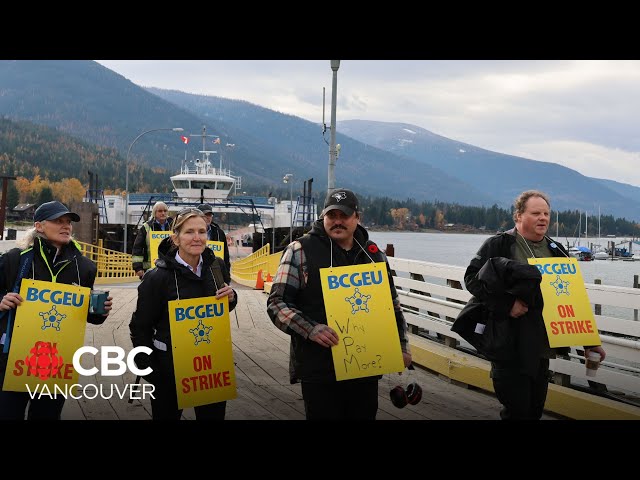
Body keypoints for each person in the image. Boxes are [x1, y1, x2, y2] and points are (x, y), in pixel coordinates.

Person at [267, 188, 412, 420]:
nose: (337, 221)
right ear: (323, 217)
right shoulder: (300, 250)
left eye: (343, 216)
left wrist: (402, 347)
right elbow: (276, 302)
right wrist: (310, 329)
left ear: (357, 217)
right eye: (331, 216)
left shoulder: (375, 256)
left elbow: (392, 306)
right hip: (319, 368)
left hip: (366, 367)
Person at [462, 190, 606, 420]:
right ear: (518, 216)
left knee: (534, 412)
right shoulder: (500, 244)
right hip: (510, 342)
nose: (543, 218)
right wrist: (507, 304)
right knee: (518, 412)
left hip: (542, 346)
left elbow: (570, 299)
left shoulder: (556, 250)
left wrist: (589, 342)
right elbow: (471, 279)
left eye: (546, 213)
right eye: (536, 213)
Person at [0, 200, 113, 420]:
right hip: (15, 358)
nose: (66, 226)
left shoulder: (85, 267)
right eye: (58, 221)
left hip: (57, 363)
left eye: (68, 222)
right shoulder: (16, 259)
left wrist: (100, 312)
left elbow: (88, 316)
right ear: (39, 226)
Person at [129, 207, 237, 420]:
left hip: (210, 366)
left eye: (202, 231)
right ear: (175, 238)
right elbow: (139, 327)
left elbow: (223, 305)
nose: (197, 238)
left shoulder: (217, 267)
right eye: (189, 232)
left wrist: (232, 298)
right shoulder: (157, 278)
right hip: (169, 369)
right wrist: (152, 373)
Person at [132, 201, 174, 279]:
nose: (163, 213)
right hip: (150, 269)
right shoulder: (146, 227)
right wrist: (138, 268)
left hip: (171, 268)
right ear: (154, 213)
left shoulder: (174, 226)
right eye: (160, 211)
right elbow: (137, 248)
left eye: (165, 211)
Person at [197, 203, 231, 274]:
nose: (208, 217)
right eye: (205, 215)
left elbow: (226, 256)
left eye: (209, 215)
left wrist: (226, 277)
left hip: (215, 272)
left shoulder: (219, 232)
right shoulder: (191, 231)